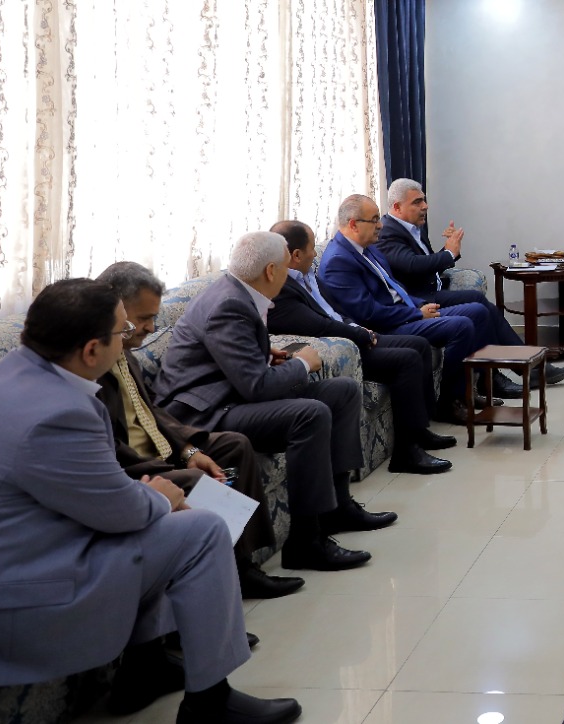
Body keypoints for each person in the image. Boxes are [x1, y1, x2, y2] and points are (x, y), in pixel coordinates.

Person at [0, 279, 301, 724]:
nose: (130, 339)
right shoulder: (59, 414)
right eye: (122, 332)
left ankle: (147, 667)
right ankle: (210, 703)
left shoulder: (11, 374)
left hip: (34, 548)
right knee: (200, 528)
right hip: (28, 593)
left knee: (162, 525)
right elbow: (121, 511)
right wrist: (160, 497)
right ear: (91, 350)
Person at [156, 231, 395, 572]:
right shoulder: (229, 304)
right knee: (310, 414)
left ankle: (338, 508)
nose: (290, 275)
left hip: (230, 394)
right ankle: (306, 543)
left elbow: (232, 359)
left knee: (341, 392)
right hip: (208, 412)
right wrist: (302, 364)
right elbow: (257, 387)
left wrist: (264, 353)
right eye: (286, 267)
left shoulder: (238, 292)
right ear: (270, 271)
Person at [95, 262, 305, 599]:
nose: (150, 328)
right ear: (116, 310)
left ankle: (244, 567)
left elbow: (151, 410)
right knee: (196, 480)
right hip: (134, 464)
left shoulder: (124, 350)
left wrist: (188, 449)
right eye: (143, 319)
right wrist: (168, 464)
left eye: (153, 318)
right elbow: (110, 446)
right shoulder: (94, 359)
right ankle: (213, 587)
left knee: (234, 446)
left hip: (164, 443)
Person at [269, 219, 455, 473]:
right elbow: (319, 326)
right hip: (341, 348)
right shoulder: (280, 288)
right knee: (407, 359)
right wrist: (360, 334)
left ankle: (419, 431)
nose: (315, 254)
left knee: (419, 345)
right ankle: (406, 454)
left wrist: (357, 327)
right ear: (296, 255)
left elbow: (334, 310)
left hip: (353, 332)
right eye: (312, 248)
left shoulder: (306, 274)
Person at [375, 178, 564, 392]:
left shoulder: (413, 228)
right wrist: (448, 253)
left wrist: (449, 250)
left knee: (485, 309)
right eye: (417, 202)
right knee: (478, 304)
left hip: (431, 291)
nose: (425, 206)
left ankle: (518, 371)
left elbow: (426, 266)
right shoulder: (387, 233)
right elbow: (412, 265)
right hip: (418, 299)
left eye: (424, 200)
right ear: (397, 207)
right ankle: (509, 373)